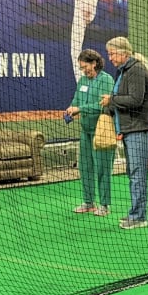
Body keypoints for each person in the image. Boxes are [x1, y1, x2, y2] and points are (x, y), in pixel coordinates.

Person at [102, 36, 148, 230]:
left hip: (139, 128)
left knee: (138, 173)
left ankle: (139, 217)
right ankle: (135, 212)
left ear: (123, 53)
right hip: (129, 128)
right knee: (133, 173)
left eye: (112, 53)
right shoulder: (123, 71)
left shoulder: (137, 70)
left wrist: (112, 100)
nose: (110, 58)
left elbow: (135, 100)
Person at [65, 48, 116, 216]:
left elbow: (103, 104)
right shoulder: (82, 81)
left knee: (102, 168)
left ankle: (104, 205)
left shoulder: (106, 80)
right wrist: (71, 110)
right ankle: (88, 203)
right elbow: (76, 99)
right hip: (85, 131)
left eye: (85, 66)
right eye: (81, 68)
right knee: (85, 167)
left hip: (101, 131)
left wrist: (80, 108)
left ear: (94, 63)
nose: (83, 70)